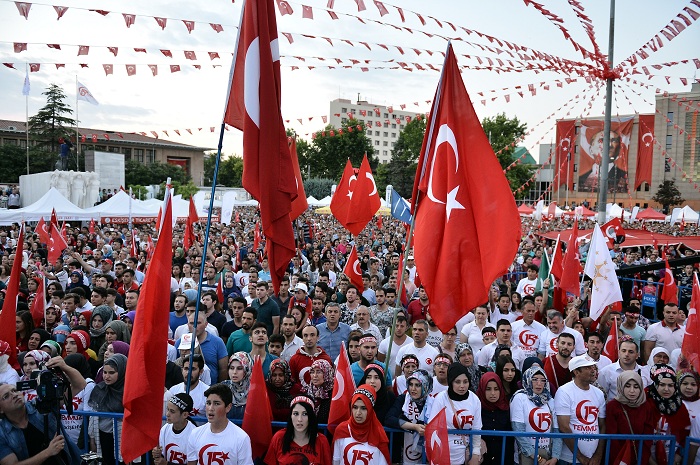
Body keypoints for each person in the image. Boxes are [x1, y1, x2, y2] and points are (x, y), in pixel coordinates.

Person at [0, 382, 82, 465]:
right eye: (6, 396)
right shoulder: (1, 433)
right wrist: (48, 452)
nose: (14, 395)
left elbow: (79, 384)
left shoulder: (41, 405)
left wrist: (60, 368)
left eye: (15, 390)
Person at [554, 354, 606, 465]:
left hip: (593, 459)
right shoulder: (564, 392)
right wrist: (580, 457)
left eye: (593, 367)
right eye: (588, 368)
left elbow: (602, 425)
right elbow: (564, 427)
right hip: (569, 459)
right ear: (576, 372)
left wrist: (598, 455)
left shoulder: (599, 393)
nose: (593, 370)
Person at [186, 383, 253, 465]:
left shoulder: (241, 438)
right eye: (208, 403)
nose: (211, 408)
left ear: (228, 407)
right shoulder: (195, 434)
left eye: (216, 403)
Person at [430, 363, 483, 465]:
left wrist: (476, 454)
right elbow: (433, 427)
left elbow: (476, 429)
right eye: (457, 382)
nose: (462, 386)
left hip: (465, 456)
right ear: (451, 382)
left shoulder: (474, 399)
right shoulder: (441, 398)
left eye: (465, 382)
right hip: (442, 455)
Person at [511, 365, 561, 465]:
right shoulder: (520, 398)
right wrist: (536, 457)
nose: (539, 383)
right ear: (528, 379)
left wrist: (555, 457)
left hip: (547, 457)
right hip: (526, 456)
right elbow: (518, 430)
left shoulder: (550, 401)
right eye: (534, 379)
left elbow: (557, 431)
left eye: (543, 380)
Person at [264, 395, 332, 465]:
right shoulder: (279, 437)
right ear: (291, 416)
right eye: (296, 414)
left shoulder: (321, 441)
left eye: (305, 414)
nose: (300, 419)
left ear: (311, 416)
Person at [332, 385, 391, 465]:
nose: (358, 413)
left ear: (370, 409)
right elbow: (336, 461)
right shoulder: (341, 430)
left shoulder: (379, 434)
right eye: (355, 407)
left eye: (363, 408)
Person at [606, 371, 656, 465]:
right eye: (627, 386)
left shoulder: (645, 406)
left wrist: (643, 458)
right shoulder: (613, 406)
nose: (632, 390)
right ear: (621, 386)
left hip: (639, 456)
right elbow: (612, 438)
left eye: (636, 387)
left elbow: (648, 436)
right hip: (619, 457)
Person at [385, 369, 433, 465]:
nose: (413, 389)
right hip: (403, 451)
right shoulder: (403, 399)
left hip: (426, 455)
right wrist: (413, 426)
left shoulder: (433, 402)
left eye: (418, 385)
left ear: (426, 386)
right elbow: (388, 419)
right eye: (411, 384)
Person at [646, 364, 691, 465]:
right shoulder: (646, 404)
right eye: (662, 385)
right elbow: (640, 434)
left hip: (672, 457)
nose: (666, 389)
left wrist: (676, 459)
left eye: (670, 385)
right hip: (648, 457)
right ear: (656, 385)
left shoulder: (681, 407)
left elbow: (685, 437)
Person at [87, 353, 128, 465]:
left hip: (122, 440)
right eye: (105, 372)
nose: (106, 376)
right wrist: (92, 439)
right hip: (102, 437)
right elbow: (93, 415)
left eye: (111, 373)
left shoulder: (128, 393)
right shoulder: (99, 389)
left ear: (122, 372)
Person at [477, 372, 515, 465]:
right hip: (483, 458)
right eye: (488, 389)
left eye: (496, 389)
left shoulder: (506, 409)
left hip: (503, 457)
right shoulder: (477, 409)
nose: (493, 393)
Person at [153, 393, 196, 465]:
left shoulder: (194, 433)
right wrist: (157, 455)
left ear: (184, 415)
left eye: (172, 411)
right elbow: (163, 455)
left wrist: (166, 463)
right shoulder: (165, 429)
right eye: (168, 409)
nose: (167, 414)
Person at [678, 369, 700, 465]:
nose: (689, 387)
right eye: (685, 383)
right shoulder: (674, 403)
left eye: (693, 384)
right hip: (675, 448)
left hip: (694, 450)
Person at [222, 352, 252, 420]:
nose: (234, 372)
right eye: (231, 368)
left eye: (239, 368)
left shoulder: (254, 390)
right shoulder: (223, 388)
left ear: (247, 369)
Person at [302, 359, 334, 424]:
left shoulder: (334, 394)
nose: (315, 375)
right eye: (312, 372)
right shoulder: (306, 392)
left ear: (326, 373)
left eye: (319, 372)